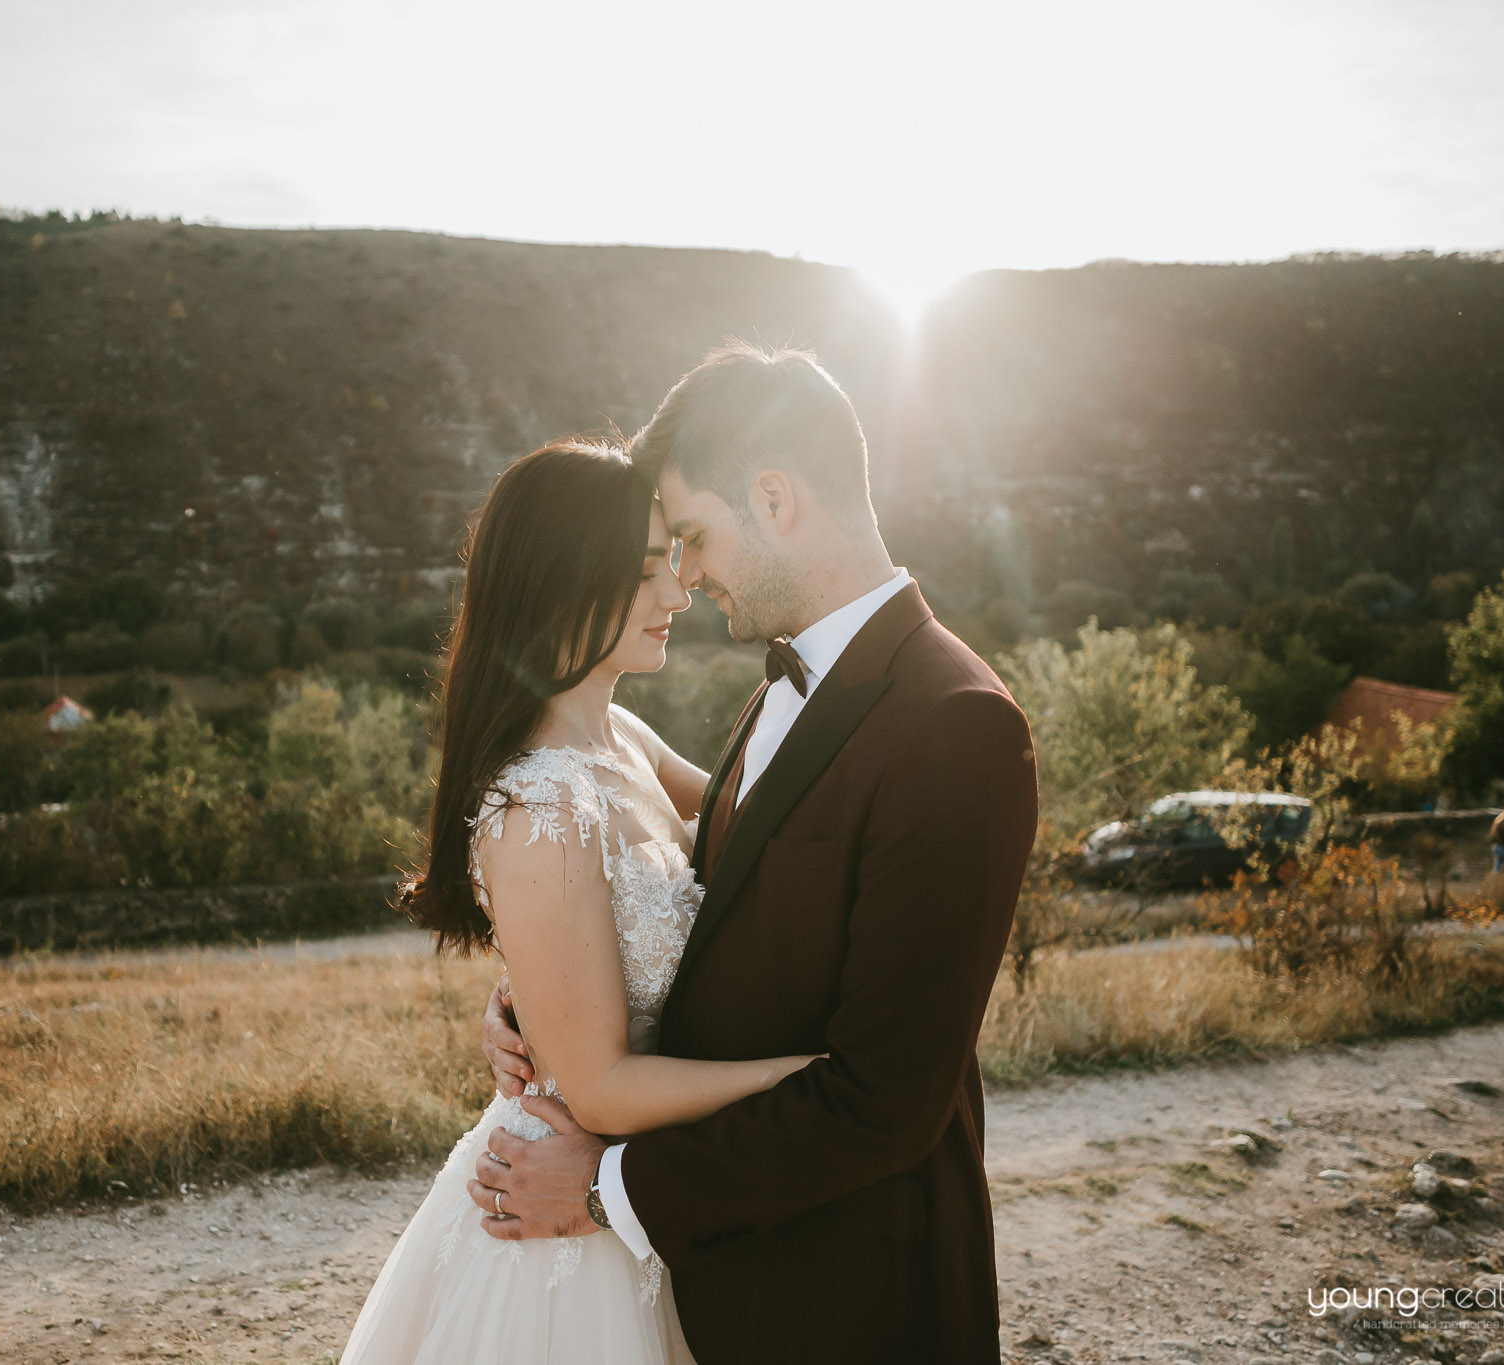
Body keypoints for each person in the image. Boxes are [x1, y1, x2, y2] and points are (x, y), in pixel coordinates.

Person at [473, 344, 1039, 1363]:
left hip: (848, 1298)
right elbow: (711, 897)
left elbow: (885, 1100)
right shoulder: (779, 690)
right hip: (726, 1279)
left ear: (773, 500)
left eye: (690, 537)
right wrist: (545, 1001)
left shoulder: (954, 723)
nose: (684, 576)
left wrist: (603, 1188)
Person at [340, 438, 823, 1365]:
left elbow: (763, 840)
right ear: (560, 582)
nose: (677, 590)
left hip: (645, 1183)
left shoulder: (624, 736)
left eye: (671, 559)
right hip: (564, 1204)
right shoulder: (538, 805)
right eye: (643, 572)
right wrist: (799, 1076)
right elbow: (598, 1084)